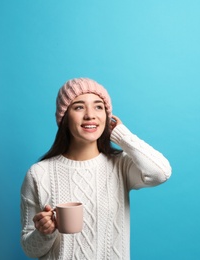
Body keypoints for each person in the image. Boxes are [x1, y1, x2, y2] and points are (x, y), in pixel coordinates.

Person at [20, 78, 172, 259]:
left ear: (107, 116)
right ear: (64, 117)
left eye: (99, 107)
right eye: (78, 107)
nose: (90, 115)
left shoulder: (120, 165)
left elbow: (160, 173)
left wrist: (122, 135)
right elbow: (30, 249)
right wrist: (45, 232)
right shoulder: (38, 173)